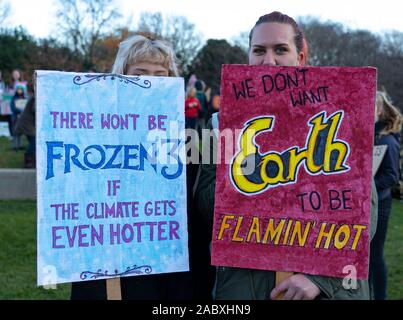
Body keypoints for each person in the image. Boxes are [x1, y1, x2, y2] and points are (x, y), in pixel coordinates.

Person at [194, 11, 378, 300]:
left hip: (320, 290)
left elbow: (365, 211)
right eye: (259, 51)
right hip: (244, 287)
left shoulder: (341, 115)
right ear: (249, 57)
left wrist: (321, 279)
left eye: (280, 49)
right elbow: (204, 204)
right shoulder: (219, 124)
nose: (269, 61)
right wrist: (237, 169)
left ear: (300, 58)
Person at [71, 33, 211, 300]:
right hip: (113, 258)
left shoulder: (185, 134)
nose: (151, 81)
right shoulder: (95, 130)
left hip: (171, 260)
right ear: (121, 75)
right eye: (140, 73)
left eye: (161, 73)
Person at [369, 91, 402, 300]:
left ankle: (379, 296)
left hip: (380, 203)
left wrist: (368, 187)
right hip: (366, 204)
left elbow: (391, 176)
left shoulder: (387, 141)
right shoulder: (366, 135)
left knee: (375, 255)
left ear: (379, 111)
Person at [10, 85, 27, 150]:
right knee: (15, 131)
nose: (19, 91)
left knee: (20, 131)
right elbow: (12, 107)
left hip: (22, 117)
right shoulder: (13, 98)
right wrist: (19, 111)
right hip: (15, 117)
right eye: (18, 89)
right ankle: (14, 146)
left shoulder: (24, 98)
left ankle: (20, 145)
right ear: (16, 90)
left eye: (21, 89)